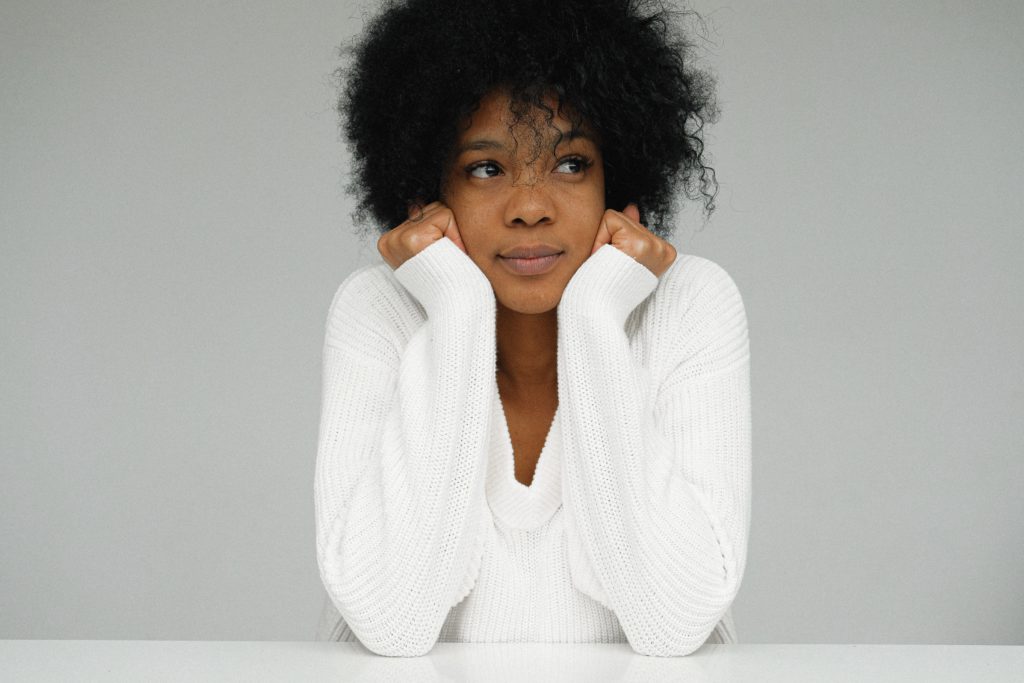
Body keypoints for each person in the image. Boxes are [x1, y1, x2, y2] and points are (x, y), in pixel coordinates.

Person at [313, 0, 751, 657]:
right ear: (428, 193)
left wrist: (595, 316)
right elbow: (392, 623)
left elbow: (674, 623)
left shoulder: (691, 305)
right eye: (485, 169)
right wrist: (456, 308)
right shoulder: (377, 312)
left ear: (618, 178)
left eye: (570, 163)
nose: (529, 208)